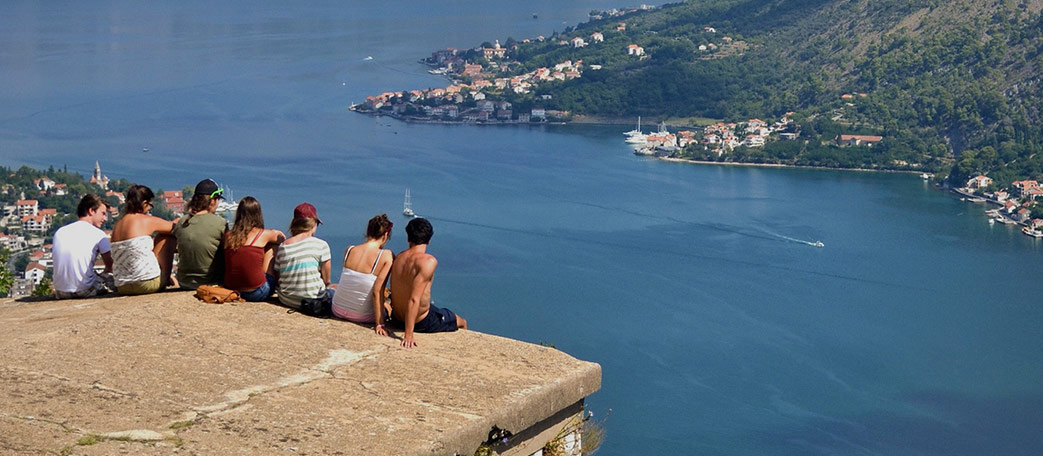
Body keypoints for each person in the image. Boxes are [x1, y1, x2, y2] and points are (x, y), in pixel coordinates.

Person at [388, 217, 466, 348]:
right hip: (421, 321)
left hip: (396, 317)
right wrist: (408, 334)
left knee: (438, 310)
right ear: (429, 240)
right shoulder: (428, 261)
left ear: (408, 238)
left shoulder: (400, 256)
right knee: (462, 321)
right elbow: (414, 299)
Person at [332, 214, 394, 330]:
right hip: (362, 316)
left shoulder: (349, 249)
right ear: (385, 235)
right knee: (388, 308)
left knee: (332, 288)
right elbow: (377, 292)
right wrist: (379, 324)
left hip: (336, 309)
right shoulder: (386, 256)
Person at [110, 185, 176, 295]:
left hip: (122, 286)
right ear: (144, 203)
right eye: (150, 205)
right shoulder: (145, 220)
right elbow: (174, 228)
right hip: (146, 284)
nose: (150, 209)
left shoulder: (117, 225)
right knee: (165, 237)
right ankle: (165, 277)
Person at [52, 194, 114, 298]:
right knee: (113, 278)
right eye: (103, 214)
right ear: (91, 211)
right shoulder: (98, 234)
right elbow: (111, 266)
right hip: (85, 290)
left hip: (60, 292)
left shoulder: (60, 231)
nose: (105, 218)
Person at [223, 196, 285, 301]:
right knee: (272, 247)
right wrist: (274, 231)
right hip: (256, 292)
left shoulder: (228, 235)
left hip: (232, 289)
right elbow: (281, 238)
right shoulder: (262, 234)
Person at [274, 203, 332, 310]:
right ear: (313, 224)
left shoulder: (283, 246)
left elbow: (278, 275)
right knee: (333, 290)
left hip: (286, 299)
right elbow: (326, 280)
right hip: (313, 300)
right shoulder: (321, 245)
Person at [173, 178, 227, 290]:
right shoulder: (220, 223)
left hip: (184, 282)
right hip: (211, 282)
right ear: (213, 201)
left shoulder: (181, 222)